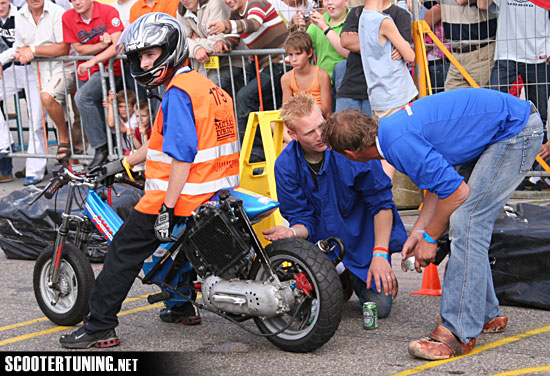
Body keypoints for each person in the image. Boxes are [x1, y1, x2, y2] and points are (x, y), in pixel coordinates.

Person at [59, 13, 240, 349]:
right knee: (185, 248)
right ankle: (182, 306)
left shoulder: (178, 94)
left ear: (171, 50)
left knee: (123, 253)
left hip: (181, 197)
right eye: (140, 56)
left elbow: (183, 156)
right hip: (215, 192)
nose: (143, 63)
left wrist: (168, 209)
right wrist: (120, 163)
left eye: (149, 55)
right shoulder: (207, 88)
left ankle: (99, 326)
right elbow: (160, 144)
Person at [322, 88, 544, 360]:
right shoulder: (389, 131)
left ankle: (458, 332)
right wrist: (419, 231)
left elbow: (456, 193)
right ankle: (484, 314)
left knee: (466, 221)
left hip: (516, 130)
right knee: (465, 221)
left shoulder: (397, 144)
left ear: (349, 153)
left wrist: (430, 240)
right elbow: (438, 187)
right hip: (503, 127)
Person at [263, 93, 407, 317]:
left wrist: (380, 254)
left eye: (322, 126)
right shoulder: (285, 165)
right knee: (298, 309)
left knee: (380, 309)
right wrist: (290, 231)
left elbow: (382, 205)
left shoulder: (348, 147)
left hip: (362, 243)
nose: (320, 136)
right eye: (309, 132)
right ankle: (341, 278)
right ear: (292, 134)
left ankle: (367, 271)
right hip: (323, 247)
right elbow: (303, 219)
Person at [207, 0, 289, 153]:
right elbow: (233, 38)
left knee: (245, 97)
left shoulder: (257, 4)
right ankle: (267, 150)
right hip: (268, 66)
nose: (228, 1)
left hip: (282, 63)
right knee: (264, 108)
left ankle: (255, 152)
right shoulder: (236, 14)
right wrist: (223, 43)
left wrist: (226, 25)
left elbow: (253, 24)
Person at [16, 0, 85, 167]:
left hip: (68, 69)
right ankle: (72, 162)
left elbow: (63, 49)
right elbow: (19, 48)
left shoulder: (57, 12)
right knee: (58, 113)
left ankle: (66, 143)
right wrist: (23, 54)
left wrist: (32, 50)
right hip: (39, 73)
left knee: (74, 112)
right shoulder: (19, 16)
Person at [62, 0, 125, 169]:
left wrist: (93, 60)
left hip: (112, 70)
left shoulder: (107, 11)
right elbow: (79, 49)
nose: (76, 2)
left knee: (83, 97)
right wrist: (103, 44)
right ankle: (107, 154)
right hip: (87, 72)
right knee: (93, 109)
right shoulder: (68, 16)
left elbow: (117, 45)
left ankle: (101, 149)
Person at [0, 0, 47, 185]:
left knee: (36, 120)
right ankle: (4, 143)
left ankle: (35, 171)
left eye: (3, 2)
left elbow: (20, 46)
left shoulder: (22, 14)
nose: (0, 6)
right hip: (16, 68)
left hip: (36, 69)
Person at [337, 0, 411, 113]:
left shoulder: (400, 15)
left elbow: (404, 53)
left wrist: (360, 39)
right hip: (351, 87)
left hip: (384, 93)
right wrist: (385, 41)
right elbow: (346, 41)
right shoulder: (356, 12)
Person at [359, 0, 417, 118]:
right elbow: (410, 56)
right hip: (395, 93)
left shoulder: (363, 17)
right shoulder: (384, 21)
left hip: (378, 96)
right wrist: (401, 47)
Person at [176, 0, 246, 97]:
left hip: (231, 62)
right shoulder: (181, 11)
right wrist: (196, 49)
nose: (185, 0)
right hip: (206, 68)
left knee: (210, 89)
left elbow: (216, 42)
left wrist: (195, 41)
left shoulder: (215, 3)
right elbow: (181, 42)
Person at [437, 0, 497, 90]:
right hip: (456, 55)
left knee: (482, 99)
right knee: (452, 99)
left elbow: (462, 1)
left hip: (481, 53)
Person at [281, 32, 331, 118]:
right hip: (297, 121)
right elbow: (286, 110)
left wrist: (303, 111)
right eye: (290, 54)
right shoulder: (286, 78)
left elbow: (326, 111)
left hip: (319, 122)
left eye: (298, 54)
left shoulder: (322, 76)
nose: (294, 59)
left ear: (309, 53)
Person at [102, 89, 138, 154]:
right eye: (120, 106)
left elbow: (122, 128)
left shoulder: (136, 118)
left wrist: (111, 106)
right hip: (125, 152)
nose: (123, 109)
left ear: (133, 108)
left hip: (136, 152)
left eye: (127, 106)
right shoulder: (119, 117)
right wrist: (111, 105)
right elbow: (111, 123)